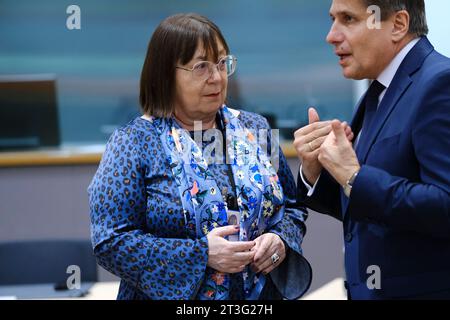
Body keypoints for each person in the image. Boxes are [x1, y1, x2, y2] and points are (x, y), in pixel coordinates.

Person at [89, 13, 311, 300]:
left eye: (222, 63)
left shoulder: (255, 128)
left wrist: (280, 240)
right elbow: (110, 241)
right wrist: (200, 255)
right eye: (201, 66)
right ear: (166, 74)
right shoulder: (132, 142)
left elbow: (291, 208)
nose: (217, 77)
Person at [294, 0, 450, 299]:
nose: (331, 35)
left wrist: (352, 175)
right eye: (332, 19)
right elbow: (366, 207)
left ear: (398, 24)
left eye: (348, 19)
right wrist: (316, 172)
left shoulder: (440, 83)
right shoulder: (379, 90)